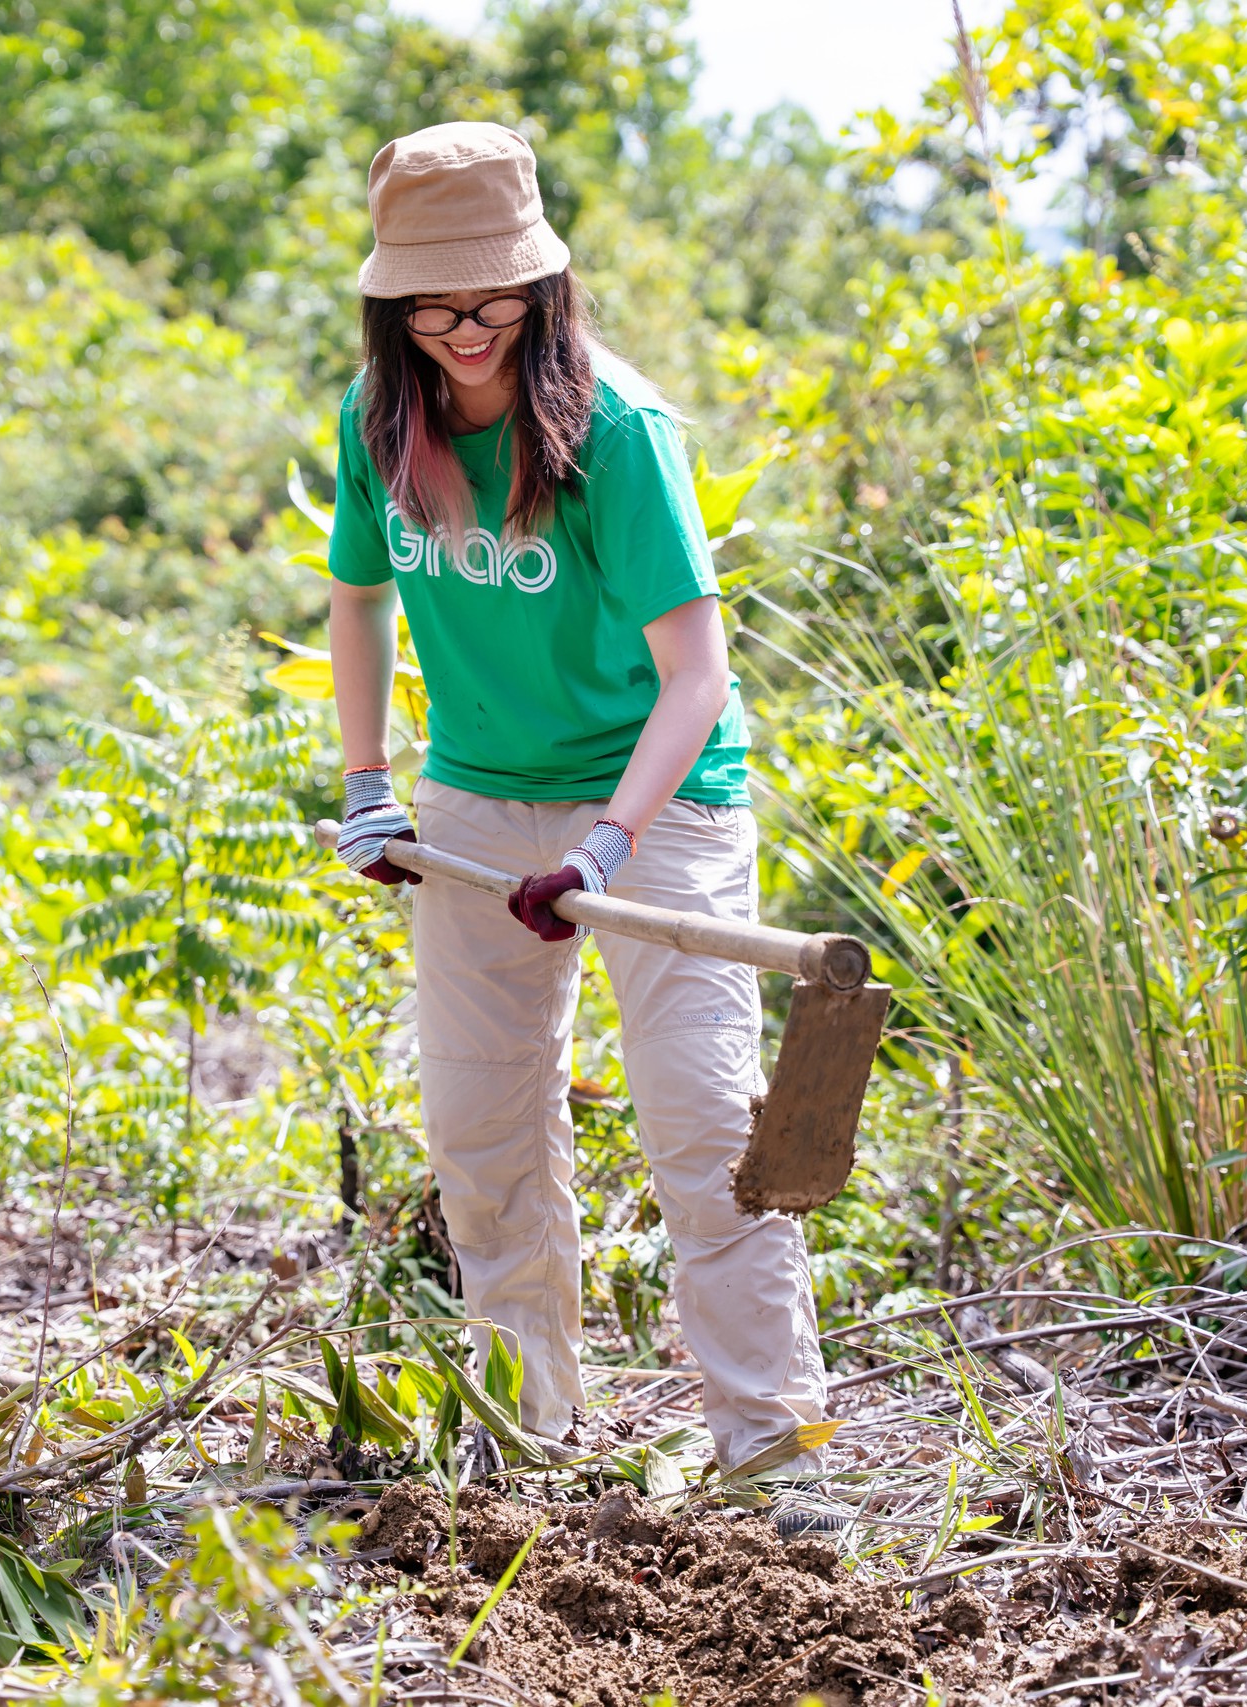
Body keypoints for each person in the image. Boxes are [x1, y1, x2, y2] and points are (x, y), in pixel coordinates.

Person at [321, 121, 827, 1469]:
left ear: (539, 285)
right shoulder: (379, 422)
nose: (460, 325)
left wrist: (609, 846)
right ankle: (525, 1435)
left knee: (708, 1126)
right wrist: (369, 786)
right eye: (430, 299)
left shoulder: (616, 425)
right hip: (479, 799)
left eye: (487, 297)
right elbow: (358, 603)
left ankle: (774, 1460)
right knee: (482, 1129)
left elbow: (697, 677)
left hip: (659, 806)